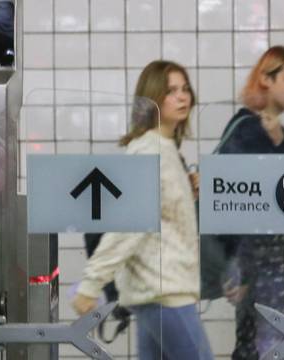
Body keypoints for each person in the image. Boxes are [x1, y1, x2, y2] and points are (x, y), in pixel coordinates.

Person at [72, 60, 214, 360]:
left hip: (159, 290)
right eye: (171, 90)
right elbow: (129, 225)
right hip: (164, 291)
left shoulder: (165, 150)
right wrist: (91, 284)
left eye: (185, 88)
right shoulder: (150, 151)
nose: (182, 96)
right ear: (152, 98)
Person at [218, 46, 284, 360]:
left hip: (268, 261)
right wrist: (232, 269)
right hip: (254, 261)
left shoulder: (275, 133)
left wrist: (280, 142)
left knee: (265, 346)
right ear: (265, 78)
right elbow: (230, 200)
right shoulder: (247, 130)